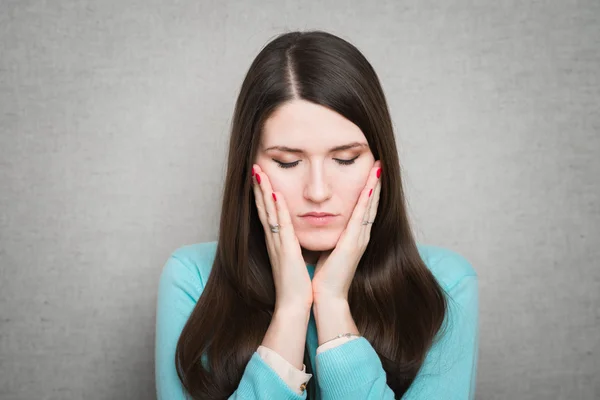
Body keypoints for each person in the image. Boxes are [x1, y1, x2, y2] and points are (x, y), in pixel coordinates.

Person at [155, 30, 479, 400]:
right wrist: (291, 309)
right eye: (288, 162)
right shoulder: (192, 278)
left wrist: (332, 304)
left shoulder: (446, 286)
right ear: (250, 167)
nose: (318, 191)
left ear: (378, 162)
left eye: (344, 159)